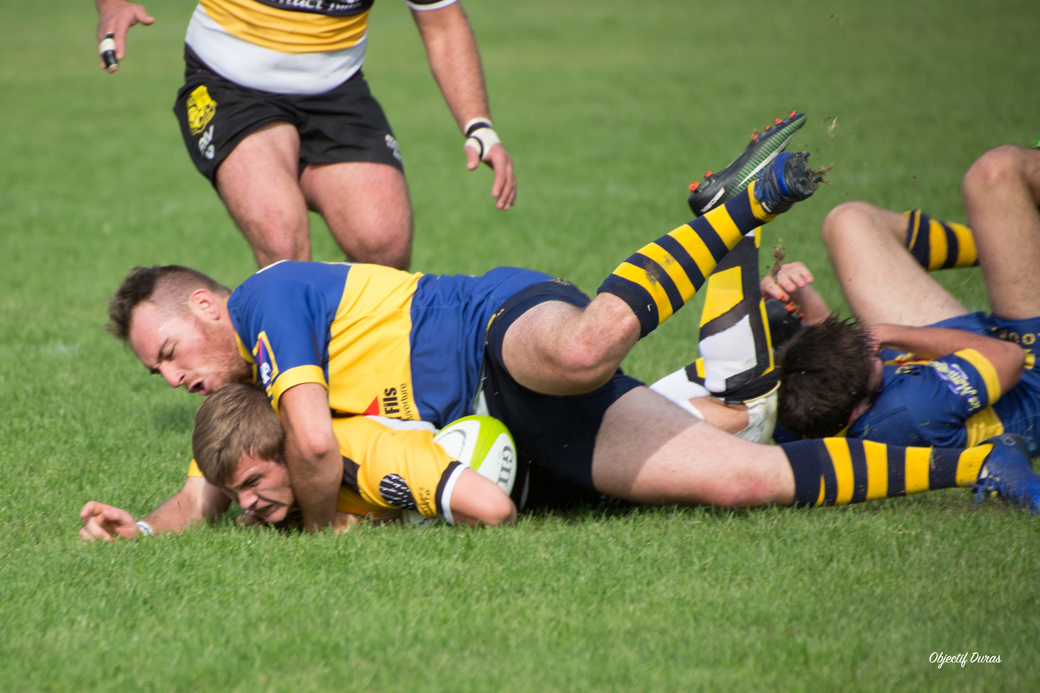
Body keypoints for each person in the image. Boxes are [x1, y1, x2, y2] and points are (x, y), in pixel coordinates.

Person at [79, 145, 1040, 542]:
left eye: (167, 349)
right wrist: (146, 533)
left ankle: (730, 215)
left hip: (488, 329)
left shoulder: (263, 300)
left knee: (584, 349)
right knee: (741, 480)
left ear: (205, 306)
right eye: (158, 369)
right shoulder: (249, 396)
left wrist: (321, 533)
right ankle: (972, 464)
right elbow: (212, 484)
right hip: (521, 429)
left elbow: (317, 449)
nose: (172, 375)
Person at [94, 0, 517, 270]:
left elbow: (442, 24)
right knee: (281, 240)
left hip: (336, 87)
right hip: (228, 81)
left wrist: (478, 125)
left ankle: (361, 373)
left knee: (384, 244)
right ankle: (285, 382)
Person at [776, 146, 1040, 469]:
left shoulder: (814, 408)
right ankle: (1013, 235)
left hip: (952, 355)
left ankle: (1009, 236)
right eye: (871, 356)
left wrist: (795, 292)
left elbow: (823, 347)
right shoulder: (910, 409)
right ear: (857, 412)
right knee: (995, 172)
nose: (871, 347)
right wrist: (891, 333)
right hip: (1026, 370)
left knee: (848, 221)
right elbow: (1008, 357)